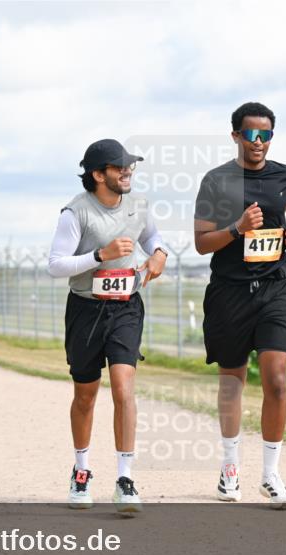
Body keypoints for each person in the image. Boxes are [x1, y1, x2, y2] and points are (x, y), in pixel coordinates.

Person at [193, 102, 286, 509]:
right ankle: (230, 467)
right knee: (232, 383)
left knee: (276, 379)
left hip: (275, 288)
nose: (259, 142)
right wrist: (237, 228)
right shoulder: (216, 180)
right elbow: (201, 242)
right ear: (236, 136)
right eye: (252, 134)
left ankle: (271, 474)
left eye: (266, 135)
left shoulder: (284, 175)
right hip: (230, 293)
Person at [48, 138, 168, 513]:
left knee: (123, 388)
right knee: (85, 395)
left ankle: (125, 478)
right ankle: (81, 471)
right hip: (85, 309)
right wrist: (100, 255)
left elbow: (151, 236)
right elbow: (56, 265)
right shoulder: (76, 212)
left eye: (130, 166)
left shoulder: (139, 205)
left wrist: (159, 253)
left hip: (126, 306)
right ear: (99, 175)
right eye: (120, 167)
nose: (128, 171)